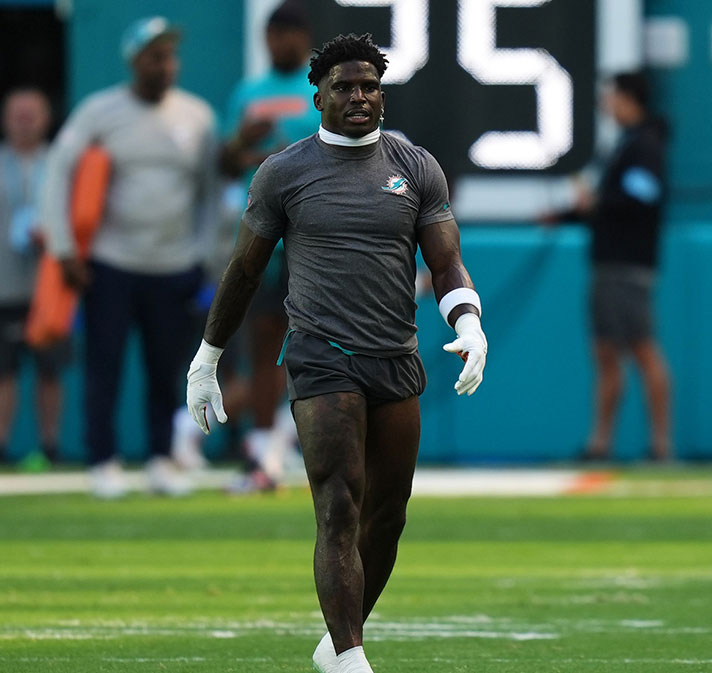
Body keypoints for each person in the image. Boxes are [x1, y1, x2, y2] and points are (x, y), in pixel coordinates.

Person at [184, 34, 487, 673]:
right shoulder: (285, 171)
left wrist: (469, 321)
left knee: (387, 514)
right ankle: (351, 656)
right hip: (322, 355)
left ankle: (337, 639)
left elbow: (446, 259)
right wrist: (208, 357)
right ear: (317, 94)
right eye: (345, 86)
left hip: (395, 355)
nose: (358, 97)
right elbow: (243, 270)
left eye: (369, 85)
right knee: (339, 501)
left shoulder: (416, 166)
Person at [40, 16, 219, 498]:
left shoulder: (197, 116)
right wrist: (63, 248)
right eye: (155, 55)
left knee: (166, 370)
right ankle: (103, 461)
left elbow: (208, 191)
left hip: (175, 266)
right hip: (110, 263)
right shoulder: (100, 112)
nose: (165, 64)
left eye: (170, 55)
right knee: (105, 367)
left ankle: (161, 459)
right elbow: (58, 172)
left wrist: (205, 255)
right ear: (135, 61)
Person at [172, 0, 320, 490]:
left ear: (304, 38)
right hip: (265, 238)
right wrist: (242, 143)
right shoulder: (249, 93)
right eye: (275, 35)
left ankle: (285, 446)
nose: (282, 44)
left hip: (312, 238)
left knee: (312, 351)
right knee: (264, 347)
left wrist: (282, 156)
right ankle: (262, 451)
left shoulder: (320, 88)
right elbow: (230, 165)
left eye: (290, 35)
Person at [545, 72, 672, 462]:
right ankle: (600, 443)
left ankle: (661, 445)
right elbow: (610, 204)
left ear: (629, 99)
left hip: (627, 265)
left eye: (611, 97)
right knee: (605, 352)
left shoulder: (644, 146)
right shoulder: (624, 145)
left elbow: (643, 197)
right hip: (609, 263)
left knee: (642, 348)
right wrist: (567, 214)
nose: (606, 105)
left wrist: (593, 203)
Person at [0, 87, 68, 471]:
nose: (25, 121)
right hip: (4, 285)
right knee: (3, 370)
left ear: (46, 118)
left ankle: (51, 444)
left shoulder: (59, 164)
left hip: (50, 288)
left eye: (32, 113)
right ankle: (2, 444)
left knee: (50, 369)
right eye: (17, 113)